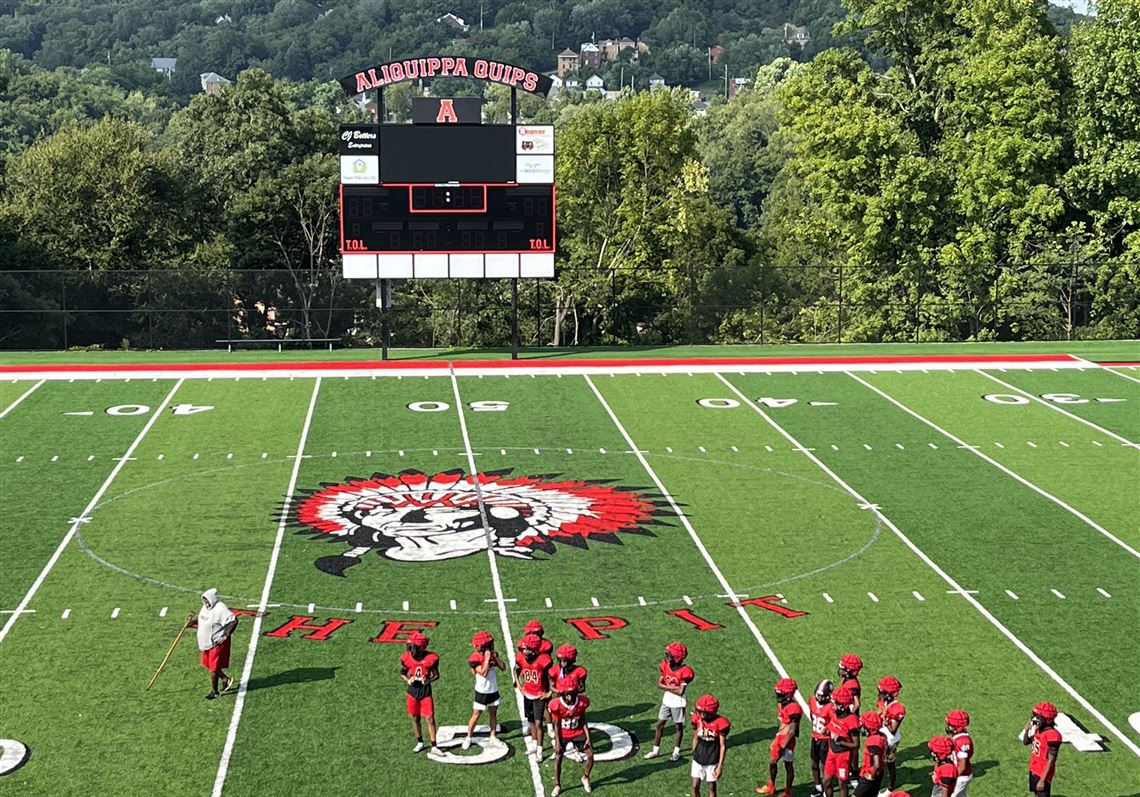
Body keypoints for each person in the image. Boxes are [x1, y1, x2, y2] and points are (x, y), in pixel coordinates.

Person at [645, 641, 695, 762]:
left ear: (677, 657)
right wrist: (673, 688)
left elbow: (680, 692)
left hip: (678, 703)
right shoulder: (664, 666)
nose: (667, 657)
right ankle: (655, 750)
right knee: (660, 724)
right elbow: (659, 684)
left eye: (670, 655)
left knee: (678, 727)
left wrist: (666, 687)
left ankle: (676, 751)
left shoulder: (685, 671)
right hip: (666, 700)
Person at [549, 675, 593, 796]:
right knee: (558, 757)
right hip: (563, 733)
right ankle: (557, 784)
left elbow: (583, 720)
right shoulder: (556, 704)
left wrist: (588, 737)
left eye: (571, 692)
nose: (569, 695)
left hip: (578, 731)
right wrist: (557, 742)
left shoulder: (582, 702)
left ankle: (585, 777)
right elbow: (556, 724)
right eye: (567, 693)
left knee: (590, 755)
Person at [757, 677, 802, 795]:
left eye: (781, 694)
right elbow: (782, 723)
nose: (778, 696)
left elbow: (792, 730)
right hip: (781, 737)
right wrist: (776, 737)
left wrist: (783, 745)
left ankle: (788, 791)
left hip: (788, 740)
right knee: (772, 762)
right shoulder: (782, 704)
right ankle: (771, 786)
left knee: (788, 765)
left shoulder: (793, 708)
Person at [400, 631, 442, 756]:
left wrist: (427, 680)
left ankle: (434, 746)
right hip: (412, 692)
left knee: (430, 718)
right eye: (411, 646)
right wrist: (408, 680)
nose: (411, 649)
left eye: (414, 646)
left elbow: (436, 675)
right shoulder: (406, 658)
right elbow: (402, 672)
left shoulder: (431, 658)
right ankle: (420, 742)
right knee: (415, 717)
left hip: (425, 691)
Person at [191, 588, 237, 701]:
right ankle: (225, 679)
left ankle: (215, 692)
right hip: (205, 643)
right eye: (203, 599)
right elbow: (202, 619)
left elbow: (234, 621)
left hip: (216, 643)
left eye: (206, 599)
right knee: (208, 665)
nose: (205, 601)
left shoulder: (220, 608)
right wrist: (192, 622)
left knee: (213, 669)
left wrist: (226, 634)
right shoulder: (205, 607)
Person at [464, 630, 506, 749]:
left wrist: (495, 658)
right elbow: (483, 672)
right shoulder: (474, 658)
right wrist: (487, 660)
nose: (490, 646)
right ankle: (468, 737)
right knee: (476, 714)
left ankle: (493, 736)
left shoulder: (493, 655)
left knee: (493, 713)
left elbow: (503, 667)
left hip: (493, 690)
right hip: (481, 692)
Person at [515, 632, 553, 761]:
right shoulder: (520, 658)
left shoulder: (543, 660)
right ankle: (533, 744)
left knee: (538, 723)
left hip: (538, 695)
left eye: (527, 649)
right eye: (524, 649)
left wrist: (549, 693)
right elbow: (516, 669)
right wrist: (520, 686)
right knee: (531, 722)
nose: (524, 651)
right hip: (528, 694)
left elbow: (552, 677)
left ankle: (540, 750)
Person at [548, 644, 589, 760]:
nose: (562, 664)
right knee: (558, 727)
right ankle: (557, 747)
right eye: (560, 660)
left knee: (576, 725)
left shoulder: (579, 671)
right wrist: (562, 692)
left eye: (565, 661)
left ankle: (577, 751)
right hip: (560, 702)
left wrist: (571, 691)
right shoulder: (555, 671)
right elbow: (551, 686)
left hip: (574, 701)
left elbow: (582, 688)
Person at [822, 687, 859, 797]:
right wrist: (827, 729)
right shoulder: (834, 713)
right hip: (832, 752)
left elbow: (856, 745)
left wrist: (840, 741)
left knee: (842, 783)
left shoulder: (852, 720)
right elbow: (833, 724)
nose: (834, 705)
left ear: (844, 705)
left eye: (837, 703)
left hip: (843, 755)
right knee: (826, 781)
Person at [691, 693, 730, 797]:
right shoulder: (697, 719)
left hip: (712, 758)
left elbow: (722, 746)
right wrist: (694, 752)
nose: (700, 714)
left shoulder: (720, 723)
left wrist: (720, 766)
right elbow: (695, 737)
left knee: (711, 787)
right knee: (695, 786)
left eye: (703, 712)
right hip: (698, 756)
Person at [1022, 702, 1062, 795]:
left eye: (1039, 717)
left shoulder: (1053, 735)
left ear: (1047, 719)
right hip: (1034, 769)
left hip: (1043, 773)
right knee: (1036, 793)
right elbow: (1026, 742)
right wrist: (1027, 730)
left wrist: (1043, 780)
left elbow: (1051, 760)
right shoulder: (1039, 730)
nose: (1036, 719)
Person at [876, 676, 907, 792]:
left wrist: (883, 717)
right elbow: (878, 712)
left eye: (882, 691)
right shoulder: (883, 701)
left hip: (890, 739)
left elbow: (893, 729)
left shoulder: (898, 708)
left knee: (889, 764)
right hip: (881, 734)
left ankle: (890, 788)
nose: (879, 693)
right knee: (877, 762)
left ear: (889, 693)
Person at [808, 679, 835, 796]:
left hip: (825, 740)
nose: (819, 697)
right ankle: (818, 787)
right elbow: (811, 714)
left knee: (825, 767)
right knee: (814, 764)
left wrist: (827, 728)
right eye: (817, 695)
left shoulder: (831, 707)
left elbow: (835, 721)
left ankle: (826, 788)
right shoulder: (812, 701)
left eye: (821, 695)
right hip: (815, 737)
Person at [852, 711, 885, 797]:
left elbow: (876, 764)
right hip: (879, 773)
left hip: (870, 774)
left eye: (863, 725)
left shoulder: (873, 741)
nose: (861, 727)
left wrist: (871, 776)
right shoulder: (882, 736)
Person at [945, 710, 973, 796]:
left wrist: (952, 778)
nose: (948, 726)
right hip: (959, 774)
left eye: (950, 725)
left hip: (960, 777)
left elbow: (962, 765)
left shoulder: (962, 741)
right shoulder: (960, 737)